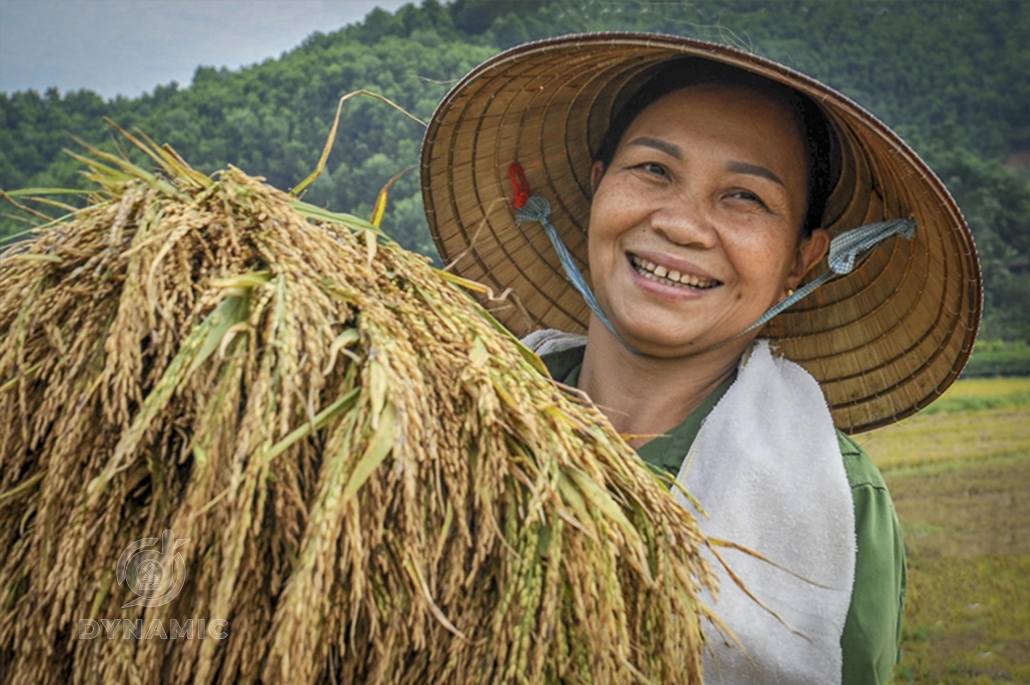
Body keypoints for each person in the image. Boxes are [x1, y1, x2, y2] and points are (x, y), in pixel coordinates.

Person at [420, 34, 981, 685]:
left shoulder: (835, 496)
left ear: (803, 259)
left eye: (744, 196)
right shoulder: (451, 413)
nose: (682, 225)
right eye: (653, 170)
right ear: (598, 189)